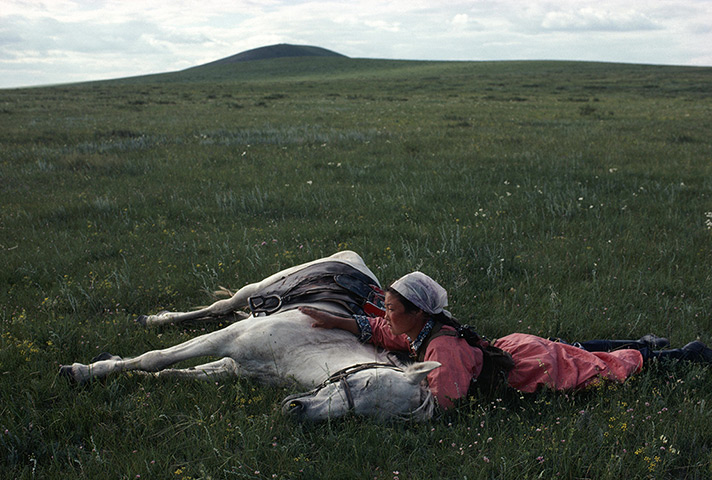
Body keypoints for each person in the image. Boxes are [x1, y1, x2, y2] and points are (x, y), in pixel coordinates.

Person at [299, 271, 712, 410]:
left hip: (526, 368)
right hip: (513, 347)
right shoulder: (422, 330)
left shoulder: (440, 349)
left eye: (391, 306)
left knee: (599, 368)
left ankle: (680, 355)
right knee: (578, 350)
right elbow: (384, 332)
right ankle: (645, 343)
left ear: (418, 311)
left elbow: (445, 404)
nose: (386, 313)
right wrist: (336, 321)